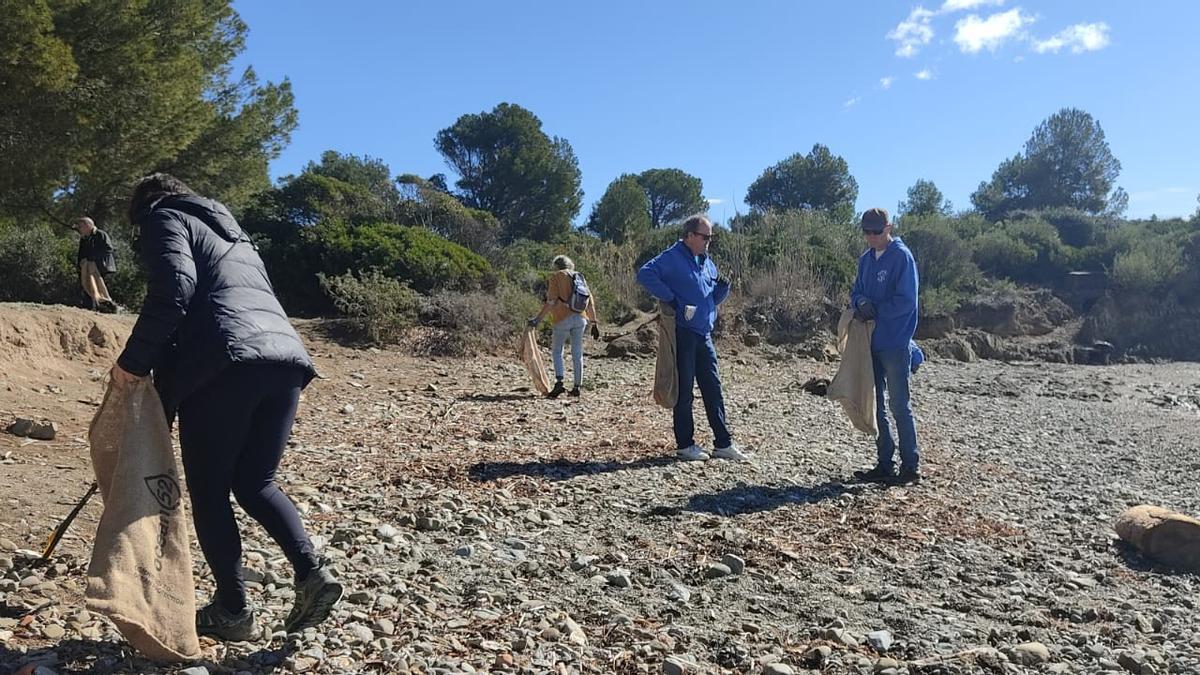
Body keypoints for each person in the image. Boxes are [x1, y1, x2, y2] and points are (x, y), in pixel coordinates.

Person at [109, 174, 342, 641]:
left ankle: (233, 610)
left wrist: (131, 365)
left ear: (144, 208)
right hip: (284, 360)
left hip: (225, 365)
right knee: (257, 482)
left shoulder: (164, 217)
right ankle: (311, 572)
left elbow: (174, 291)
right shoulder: (233, 231)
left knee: (212, 492)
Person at [637, 214, 747, 462]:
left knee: (713, 388)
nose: (709, 241)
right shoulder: (671, 257)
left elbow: (710, 299)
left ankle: (723, 443)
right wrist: (671, 299)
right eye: (705, 236)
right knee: (684, 389)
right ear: (689, 236)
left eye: (710, 237)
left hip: (704, 333)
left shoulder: (706, 262)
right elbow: (645, 274)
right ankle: (685, 444)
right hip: (683, 332)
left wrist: (723, 288)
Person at [850, 207, 922, 484]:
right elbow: (856, 291)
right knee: (878, 404)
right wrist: (860, 303)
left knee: (900, 405)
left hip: (895, 341)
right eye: (866, 232)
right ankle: (884, 462)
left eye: (876, 232)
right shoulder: (865, 260)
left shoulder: (902, 257)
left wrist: (875, 308)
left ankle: (910, 465)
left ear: (888, 228)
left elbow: (907, 302)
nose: (871, 237)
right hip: (870, 342)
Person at [528, 255, 601, 398]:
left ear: (556, 265)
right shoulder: (579, 276)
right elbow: (589, 302)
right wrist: (594, 323)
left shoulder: (556, 277)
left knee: (557, 351)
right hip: (581, 319)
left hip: (562, 318)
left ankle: (560, 383)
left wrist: (538, 319)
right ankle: (576, 387)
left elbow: (551, 302)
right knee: (577, 353)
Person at [74, 217, 118, 313]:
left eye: (81, 227)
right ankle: (91, 307)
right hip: (87, 268)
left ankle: (107, 308)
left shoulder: (101, 234)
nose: (80, 229)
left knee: (102, 288)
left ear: (88, 225)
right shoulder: (84, 238)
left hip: (102, 267)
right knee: (87, 287)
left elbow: (108, 249)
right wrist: (81, 264)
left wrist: (93, 258)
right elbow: (81, 254)